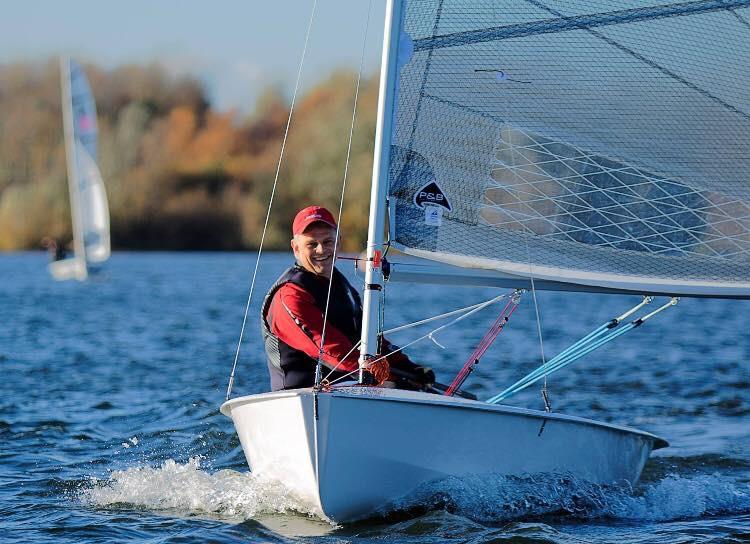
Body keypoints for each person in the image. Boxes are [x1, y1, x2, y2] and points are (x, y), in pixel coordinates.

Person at [261, 205, 436, 391]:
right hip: (299, 396)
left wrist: (406, 367)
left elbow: (369, 340)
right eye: (312, 244)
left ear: (339, 242)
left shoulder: (344, 288)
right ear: (295, 248)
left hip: (347, 390)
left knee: (418, 389)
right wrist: (380, 377)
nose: (321, 250)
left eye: (328, 242)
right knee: (394, 387)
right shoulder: (289, 295)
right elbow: (326, 346)